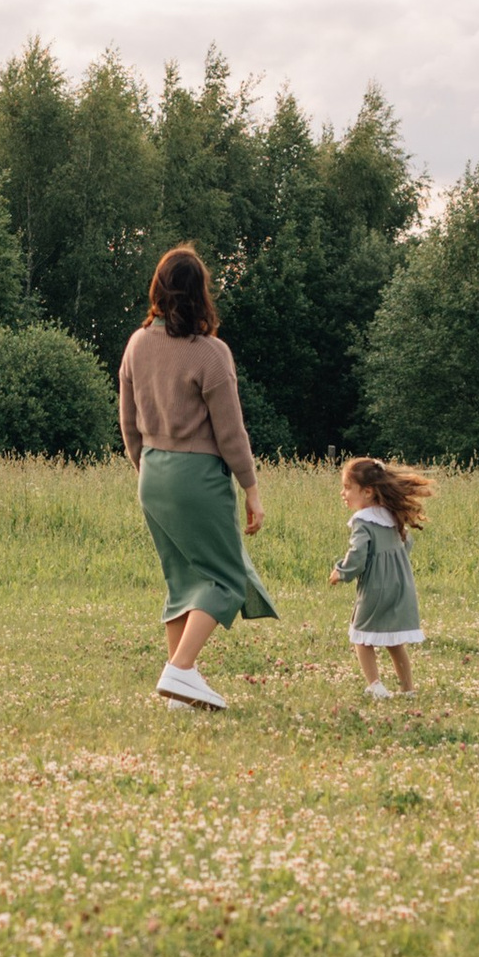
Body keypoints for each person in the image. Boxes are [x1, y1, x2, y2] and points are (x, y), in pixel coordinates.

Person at [116, 243, 276, 710]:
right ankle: (180, 671)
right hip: (196, 476)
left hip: (152, 473)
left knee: (181, 580)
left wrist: (147, 468)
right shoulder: (210, 353)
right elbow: (231, 433)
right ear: (200, 293)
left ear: (159, 290)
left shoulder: (137, 343)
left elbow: (127, 421)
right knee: (227, 579)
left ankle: (178, 696)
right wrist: (252, 489)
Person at [332, 455, 429, 700]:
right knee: (394, 640)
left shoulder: (362, 521)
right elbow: (407, 544)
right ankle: (408, 689)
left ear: (367, 492)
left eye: (347, 487)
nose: (343, 493)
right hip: (401, 586)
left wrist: (341, 572)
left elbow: (358, 554)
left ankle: (375, 686)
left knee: (361, 636)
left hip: (376, 587)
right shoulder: (391, 516)